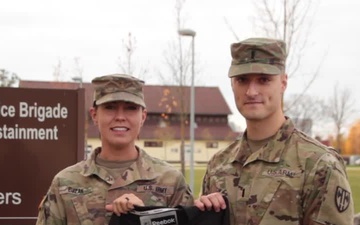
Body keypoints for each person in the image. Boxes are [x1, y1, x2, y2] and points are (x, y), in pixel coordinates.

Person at [195, 38, 354, 225]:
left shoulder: (319, 165)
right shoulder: (219, 165)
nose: (251, 92)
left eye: (264, 80)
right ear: (232, 84)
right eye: (242, 80)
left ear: (283, 83)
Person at [36, 74, 193, 225]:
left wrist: (145, 217)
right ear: (94, 115)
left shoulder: (171, 182)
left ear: (143, 117)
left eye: (130, 108)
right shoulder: (65, 183)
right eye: (110, 107)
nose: (120, 116)